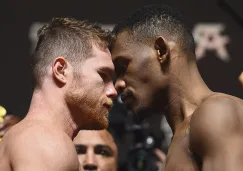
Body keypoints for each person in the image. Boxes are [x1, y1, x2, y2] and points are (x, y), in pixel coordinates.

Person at [111, 4, 243, 171]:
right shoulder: (183, 134)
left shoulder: (217, 112)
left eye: (123, 67)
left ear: (161, 51)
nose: (118, 84)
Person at [0, 17, 117, 171]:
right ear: (61, 70)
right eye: (103, 75)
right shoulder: (46, 141)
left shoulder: (25, 137)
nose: (113, 91)